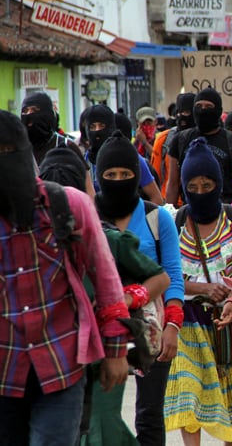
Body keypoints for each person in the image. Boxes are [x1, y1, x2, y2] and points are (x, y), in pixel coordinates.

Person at [0, 110, 130, 445]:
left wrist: (116, 350)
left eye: (8, 152)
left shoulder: (69, 205)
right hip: (4, 372)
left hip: (61, 365)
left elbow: (106, 279)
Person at [92, 134, 185, 446]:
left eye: (126, 174)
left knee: (149, 414)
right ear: (99, 176)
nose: (118, 180)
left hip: (151, 327)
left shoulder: (157, 217)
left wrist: (173, 326)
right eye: (111, 174)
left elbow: (172, 274)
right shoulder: (88, 215)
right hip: (100, 329)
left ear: (137, 175)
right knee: (100, 415)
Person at [164, 138, 232, 444]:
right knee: (188, 393)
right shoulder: (173, 221)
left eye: (207, 185)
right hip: (187, 319)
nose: (200, 192)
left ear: (219, 184)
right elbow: (167, 275)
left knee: (229, 391)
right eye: (193, 186)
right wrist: (201, 288)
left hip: (230, 319)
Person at [166, 87, 232, 205]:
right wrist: (169, 212)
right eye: (199, 106)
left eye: (208, 107)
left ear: (218, 111)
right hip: (190, 209)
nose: (203, 110)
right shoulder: (180, 140)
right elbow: (173, 184)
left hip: (225, 209)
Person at [83, 104, 164, 205]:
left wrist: (139, 214)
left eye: (102, 126)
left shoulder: (130, 157)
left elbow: (156, 198)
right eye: (92, 127)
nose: (97, 131)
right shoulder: (84, 162)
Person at [152, 93, 195, 199]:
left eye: (186, 112)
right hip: (169, 202)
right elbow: (155, 177)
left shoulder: (204, 138)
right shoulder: (164, 139)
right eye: (179, 113)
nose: (182, 117)